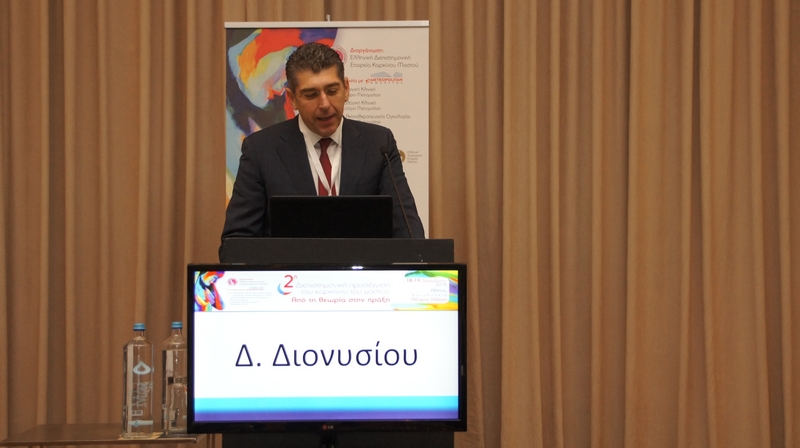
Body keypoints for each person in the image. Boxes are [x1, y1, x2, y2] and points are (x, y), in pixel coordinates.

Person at [220, 42, 425, 248]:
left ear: (346, 89)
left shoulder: (378, 144)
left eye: (332, 90)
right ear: (292, 98)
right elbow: (237, 241)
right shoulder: (262, 150)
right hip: (288, 268)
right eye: (311, 94)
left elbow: (407, 230)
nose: (325, 104)